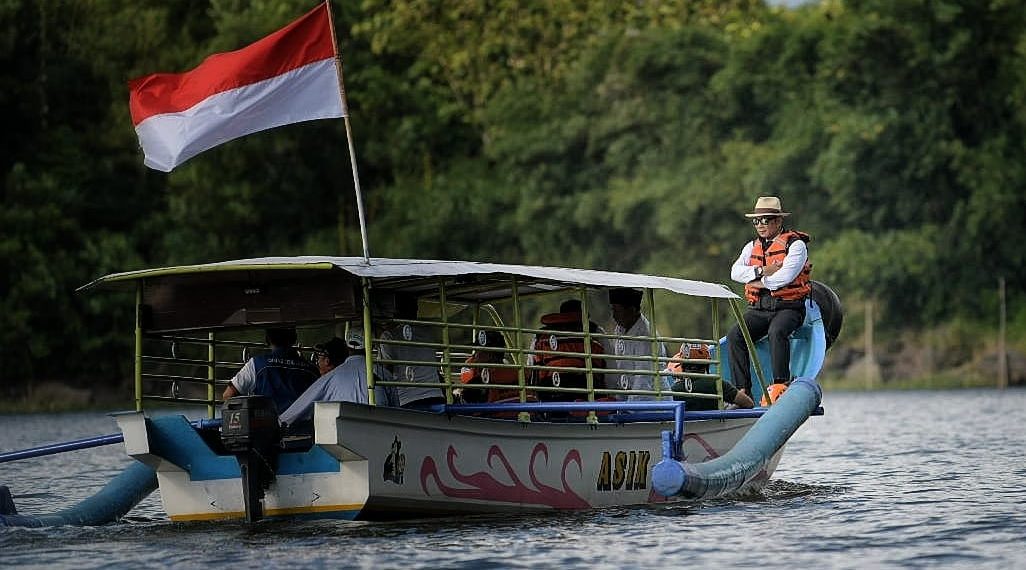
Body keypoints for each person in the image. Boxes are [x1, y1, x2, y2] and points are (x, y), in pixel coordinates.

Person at [727, 196, 811, 404]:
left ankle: (780, 385)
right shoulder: (751, 247)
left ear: (778, 221)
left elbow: (784, 278)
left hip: (789, 308)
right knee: (735, 335)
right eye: (757, 220)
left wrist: (758, 281)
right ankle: (743, 391)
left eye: (766, 219)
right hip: (759, 309)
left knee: (777, 331)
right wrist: (763, 270)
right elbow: (735, 273)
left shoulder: (796, 245)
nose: (760, 225)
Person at [279, 330, 397, 427]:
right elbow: (397, 412)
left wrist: (279, 422)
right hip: (381, 433)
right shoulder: (385, 374)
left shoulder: (332, 377)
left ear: (347, 348)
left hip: (347, 436)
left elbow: (298, 408)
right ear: (370, 346)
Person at [222, 326, 318, 414]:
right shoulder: (311, 370)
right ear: (294, 338)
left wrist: (250, 415)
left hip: (266, 428)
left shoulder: (257, 364)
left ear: (268, 339)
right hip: (303, 429)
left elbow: (228, 395)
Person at [529, 299, 607, 401]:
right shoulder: (595, 331)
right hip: (587, 393)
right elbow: (609, 368)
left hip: (549, 393)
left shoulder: (540, 335)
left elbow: (532, 368)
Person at [379, 293, 444, 408]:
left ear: (396, 311)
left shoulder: (389, 335)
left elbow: (386, 371)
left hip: (407, 399)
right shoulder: (428, 333)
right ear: (416, 310)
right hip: (436, 396)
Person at [608, 288, 671, 401]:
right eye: (612, 310)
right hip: (630, 397)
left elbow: (643, 379)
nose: (614, 316)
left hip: (652, 402)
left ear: (632, 310)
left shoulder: (646, 336)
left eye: (617, 311)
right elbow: (619, 367)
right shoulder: (620, 330)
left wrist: (628, 407)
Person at [665, 343, 754, 410]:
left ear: (682, 364)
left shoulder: (674, 390)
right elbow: (749, 404)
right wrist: (731, 408)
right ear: (706, 365)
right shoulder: (717, 384)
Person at [458, 330, 533, 404]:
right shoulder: (519, 374)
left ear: (489, 354)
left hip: (490, 414)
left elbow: (468, 400)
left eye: (477, 350)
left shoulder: (481, 378)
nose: (475, 355)